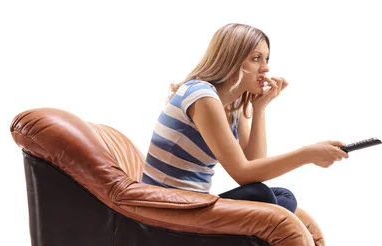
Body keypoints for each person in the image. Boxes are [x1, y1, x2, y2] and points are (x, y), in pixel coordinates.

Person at [141, 23, 349, 213]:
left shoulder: (231, 104)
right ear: (231, 60)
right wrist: (307, 154)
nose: (266, 68)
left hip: (193, 201)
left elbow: (254, 164)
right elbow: (243, 174)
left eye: (266, 59)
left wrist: (259, 109)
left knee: (281, 197)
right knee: (261, 196)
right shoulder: (201, 96)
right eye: (256, 58)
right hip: (168, 206)